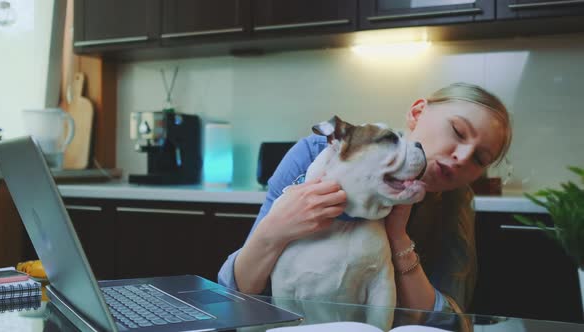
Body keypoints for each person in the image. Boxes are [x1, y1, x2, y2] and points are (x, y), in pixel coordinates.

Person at [218, 82, 512, 314]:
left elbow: (447, 318)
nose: (461, 157)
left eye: (479, 158)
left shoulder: (453, 201)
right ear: (417, 112)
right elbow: (235, 294)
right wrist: (274, 232)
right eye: (458, 132)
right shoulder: (320, 156)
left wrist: (397, 238)